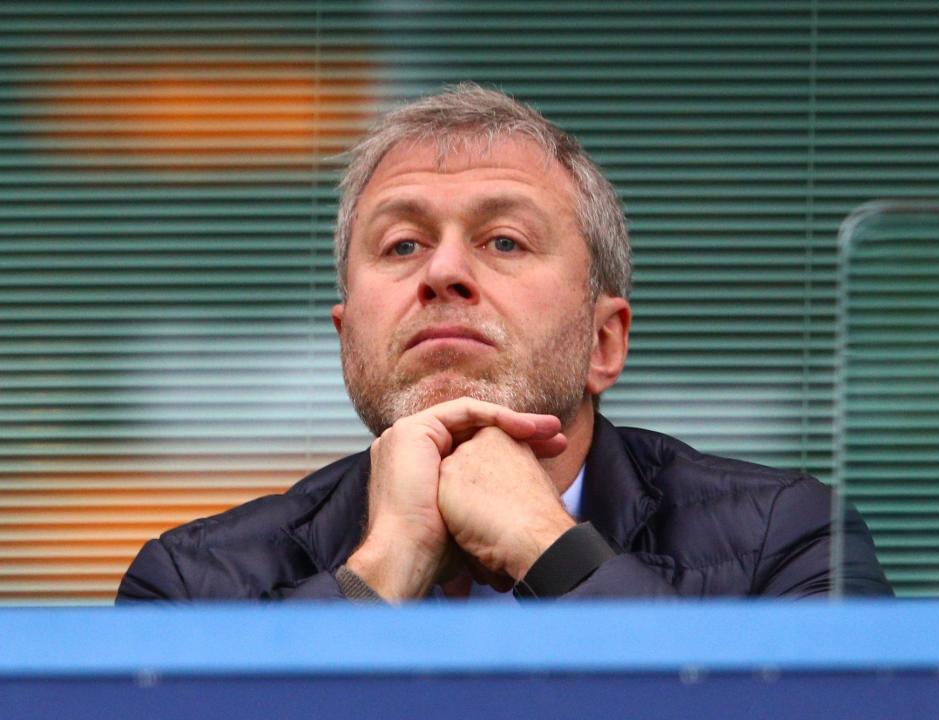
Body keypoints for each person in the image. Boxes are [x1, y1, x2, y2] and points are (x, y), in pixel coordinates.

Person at [117, 84, 892, 602]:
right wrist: (380, 574)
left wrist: (548, 548)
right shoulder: (190, 585)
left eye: (506, 241)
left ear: (604, 341)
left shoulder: (787, 541)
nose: (444, 272)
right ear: (348, 338)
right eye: (400, 246)